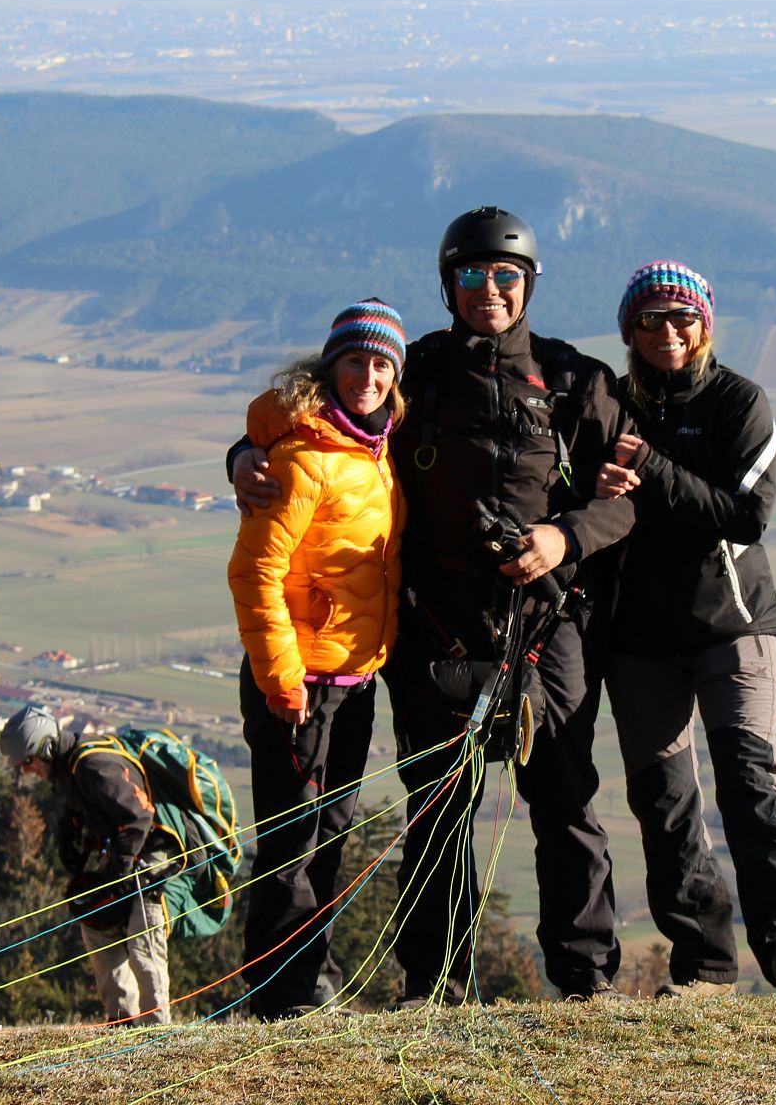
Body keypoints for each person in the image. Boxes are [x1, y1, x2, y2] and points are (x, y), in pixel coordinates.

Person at [231, 207, 635, 1006]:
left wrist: (565, 537)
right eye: (472, 276)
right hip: (434, 629)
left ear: (529, 285)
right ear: (448, 285)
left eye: (506, 276)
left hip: (543, 623)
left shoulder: (575, 381)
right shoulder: (410, 370)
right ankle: (437, 981)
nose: (490, 290)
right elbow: (317, 419)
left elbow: (626, 498)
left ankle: (585, 981)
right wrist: (242, 453)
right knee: (440, 811)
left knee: (565, 800)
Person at [596, 260, 776, 996]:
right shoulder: (608, 405)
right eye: (651, 319)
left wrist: (652, 470)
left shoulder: (739, 402)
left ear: (706, 324)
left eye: (682, 317)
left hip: (733, 627)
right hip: (639, 639)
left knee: (751, 783)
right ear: (629, 329)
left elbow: (745, 514)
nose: (667, 331)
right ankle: (705, 968)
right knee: (663, 803)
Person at [227, 298, 408, 1020]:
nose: (368, 376)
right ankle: (281, 995)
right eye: (355, 362)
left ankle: (312, 978)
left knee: (329, 835)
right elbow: (254, 574)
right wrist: (282, 681)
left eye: (381, 364)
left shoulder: (378, 447)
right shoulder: (305, 458)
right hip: (299, 685)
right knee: (291, 840)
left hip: (355, 677)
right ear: (330, 369)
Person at [0, 703, 178, 1024]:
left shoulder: (93, 766)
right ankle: (122, 1023)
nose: (26, 770)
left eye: (28, 761)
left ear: (47, 748)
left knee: (142, 938)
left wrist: (117, 873)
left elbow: (138, 818)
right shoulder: (70, 769)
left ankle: (156, 1032)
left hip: (155, 850)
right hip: (126, 852)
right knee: (98, 929)